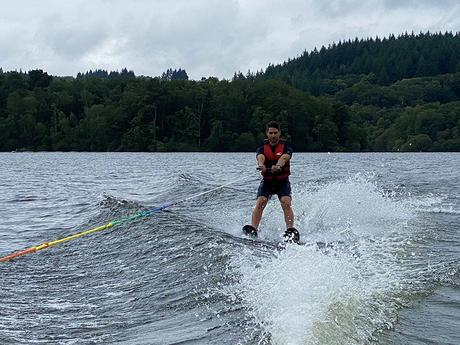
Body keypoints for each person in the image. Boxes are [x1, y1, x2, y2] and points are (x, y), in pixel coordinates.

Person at [243, 121, 300, 243]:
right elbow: (260, 157)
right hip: (267, 181)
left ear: (279, 133)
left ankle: (290, 230)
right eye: (270, 133)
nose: (273, 135)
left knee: (286, 202)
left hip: (282, 181)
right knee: (261, 201)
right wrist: (261, 165)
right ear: (267, 134)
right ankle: (254, 229)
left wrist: (278, 165)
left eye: (275, 133)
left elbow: (285, 157)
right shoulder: (262, 147)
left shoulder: (286, 147)